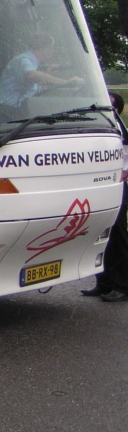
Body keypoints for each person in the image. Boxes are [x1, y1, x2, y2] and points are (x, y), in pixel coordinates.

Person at [82, 91, 128, 302]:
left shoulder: (116, 126)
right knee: (102, 233)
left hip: (117, 184)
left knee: (117, 234)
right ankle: (105, 283)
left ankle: (122, 285)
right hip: (102, 183)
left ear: (116, 109)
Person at [0, 32, 85, 119]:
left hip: (16, 110)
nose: (52, 52)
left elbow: (32, 90)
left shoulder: (33, 64)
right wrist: (68, 83)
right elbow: (31, 75)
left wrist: (48, 75)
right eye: (51, 48)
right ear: (44, 48)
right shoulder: (24, 59)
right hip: (5, 112)